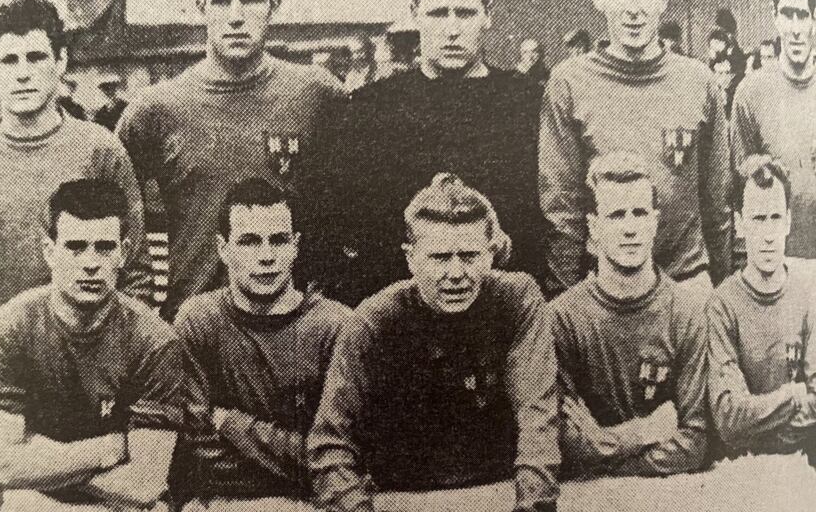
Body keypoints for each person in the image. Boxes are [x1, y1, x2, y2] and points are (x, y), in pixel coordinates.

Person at [0, 0, 152, 510]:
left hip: (85, 360)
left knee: (90, 492)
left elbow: (133, 268)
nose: (23, 74)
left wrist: (118, 360)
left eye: (36, 58)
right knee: (2, 496)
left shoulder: (99, 149)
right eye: (9, 60)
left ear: (62, 64)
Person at [118, 0, 346, 321]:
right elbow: (112, 215)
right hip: (195, 329)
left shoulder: (318, 95)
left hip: (294, 330)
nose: (236, 16)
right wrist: (140, 306)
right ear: (200, 8)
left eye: (252, 0)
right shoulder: (154, 110)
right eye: (222, 1)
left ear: (274, 6)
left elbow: (351, 208)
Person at [311, 0, 547, 307]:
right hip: (402, 322)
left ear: (488, 14)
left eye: (465, 13)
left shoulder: (525, 102)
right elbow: (339, 220)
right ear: (415, 13)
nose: (451, 29)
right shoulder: (373, 107)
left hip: (501, 314)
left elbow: (544, 216)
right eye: (438, 13)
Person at [309, 174, 560, 512]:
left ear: (490, 254)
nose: (456, 273)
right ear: (411, 259)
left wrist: (533, 507)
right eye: (440, 258)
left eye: (469, 256)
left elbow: (537, 419)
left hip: (499, 486)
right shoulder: (374, 321)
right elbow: (330, 444)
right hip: (400, 494)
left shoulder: (517, 300)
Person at [0, 179, 183, 511]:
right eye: (75, 246)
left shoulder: (154, 341)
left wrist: (39, 455)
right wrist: (107, 449)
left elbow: (145, 485)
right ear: (49, 252)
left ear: (124, 253)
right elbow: (2, 465)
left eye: (104, 247)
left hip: (120, 506)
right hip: (36, 500)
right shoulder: (9, 327)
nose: (91, 263)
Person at [540, 0, 733, 297]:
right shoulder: (568, 83)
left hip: (686, 287)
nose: (633, 8)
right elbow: (562, 212)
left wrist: (724, 298)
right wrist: (564, 305)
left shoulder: (699, 82)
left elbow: (717, 206)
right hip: (607, 293)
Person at [173, 178, 349, 511]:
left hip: (312, 504)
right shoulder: (199, 320)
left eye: (278, 241)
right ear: (223, 249)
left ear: (296, 246)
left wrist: (232, 424)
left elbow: (341, 457)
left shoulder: (335, 326)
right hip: (222, 502)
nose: (266, 256)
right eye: (250, 242)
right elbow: (196, 448)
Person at [550, 153, 709, 478]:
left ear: (655, 220)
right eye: (616, 215)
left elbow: (695, 441)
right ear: (593, 227)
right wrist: (645, 431)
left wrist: (601, 449)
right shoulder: (561, 319)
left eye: (639, 213)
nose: (630, 229)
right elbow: (561, 442)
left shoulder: (687, 312)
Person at [708, 155, 816, 461]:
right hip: (741, 466)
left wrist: (764, 419)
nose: (768, 235)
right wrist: (793, 395)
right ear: (740, 224)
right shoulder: (722, 304)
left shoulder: (808, 292)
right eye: (757, 219)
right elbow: (729, 418)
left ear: (789, 221)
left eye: (775, 218)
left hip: (799, 461)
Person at [733, 0, 816, 259]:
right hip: (777, 272)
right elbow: (741, 196)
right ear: (774, 17)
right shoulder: (750, 94)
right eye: (787, 14)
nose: (795, 29)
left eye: (803, 15)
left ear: (815, 19)